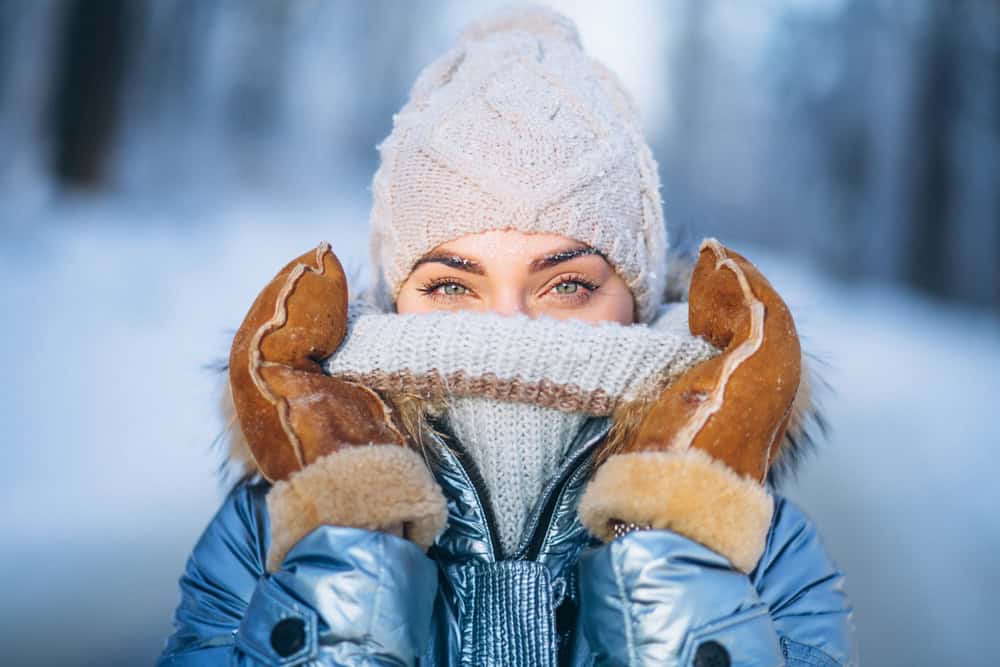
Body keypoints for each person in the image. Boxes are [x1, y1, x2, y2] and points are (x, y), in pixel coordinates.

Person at [158, 5, 856, 666]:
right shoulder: (273, 530)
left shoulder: (758, 545)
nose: (508, 330)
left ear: (638, 300)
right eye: (453, 286)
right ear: (395, 296)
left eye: (568, 284)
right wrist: (348, 542)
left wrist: (674, 546)